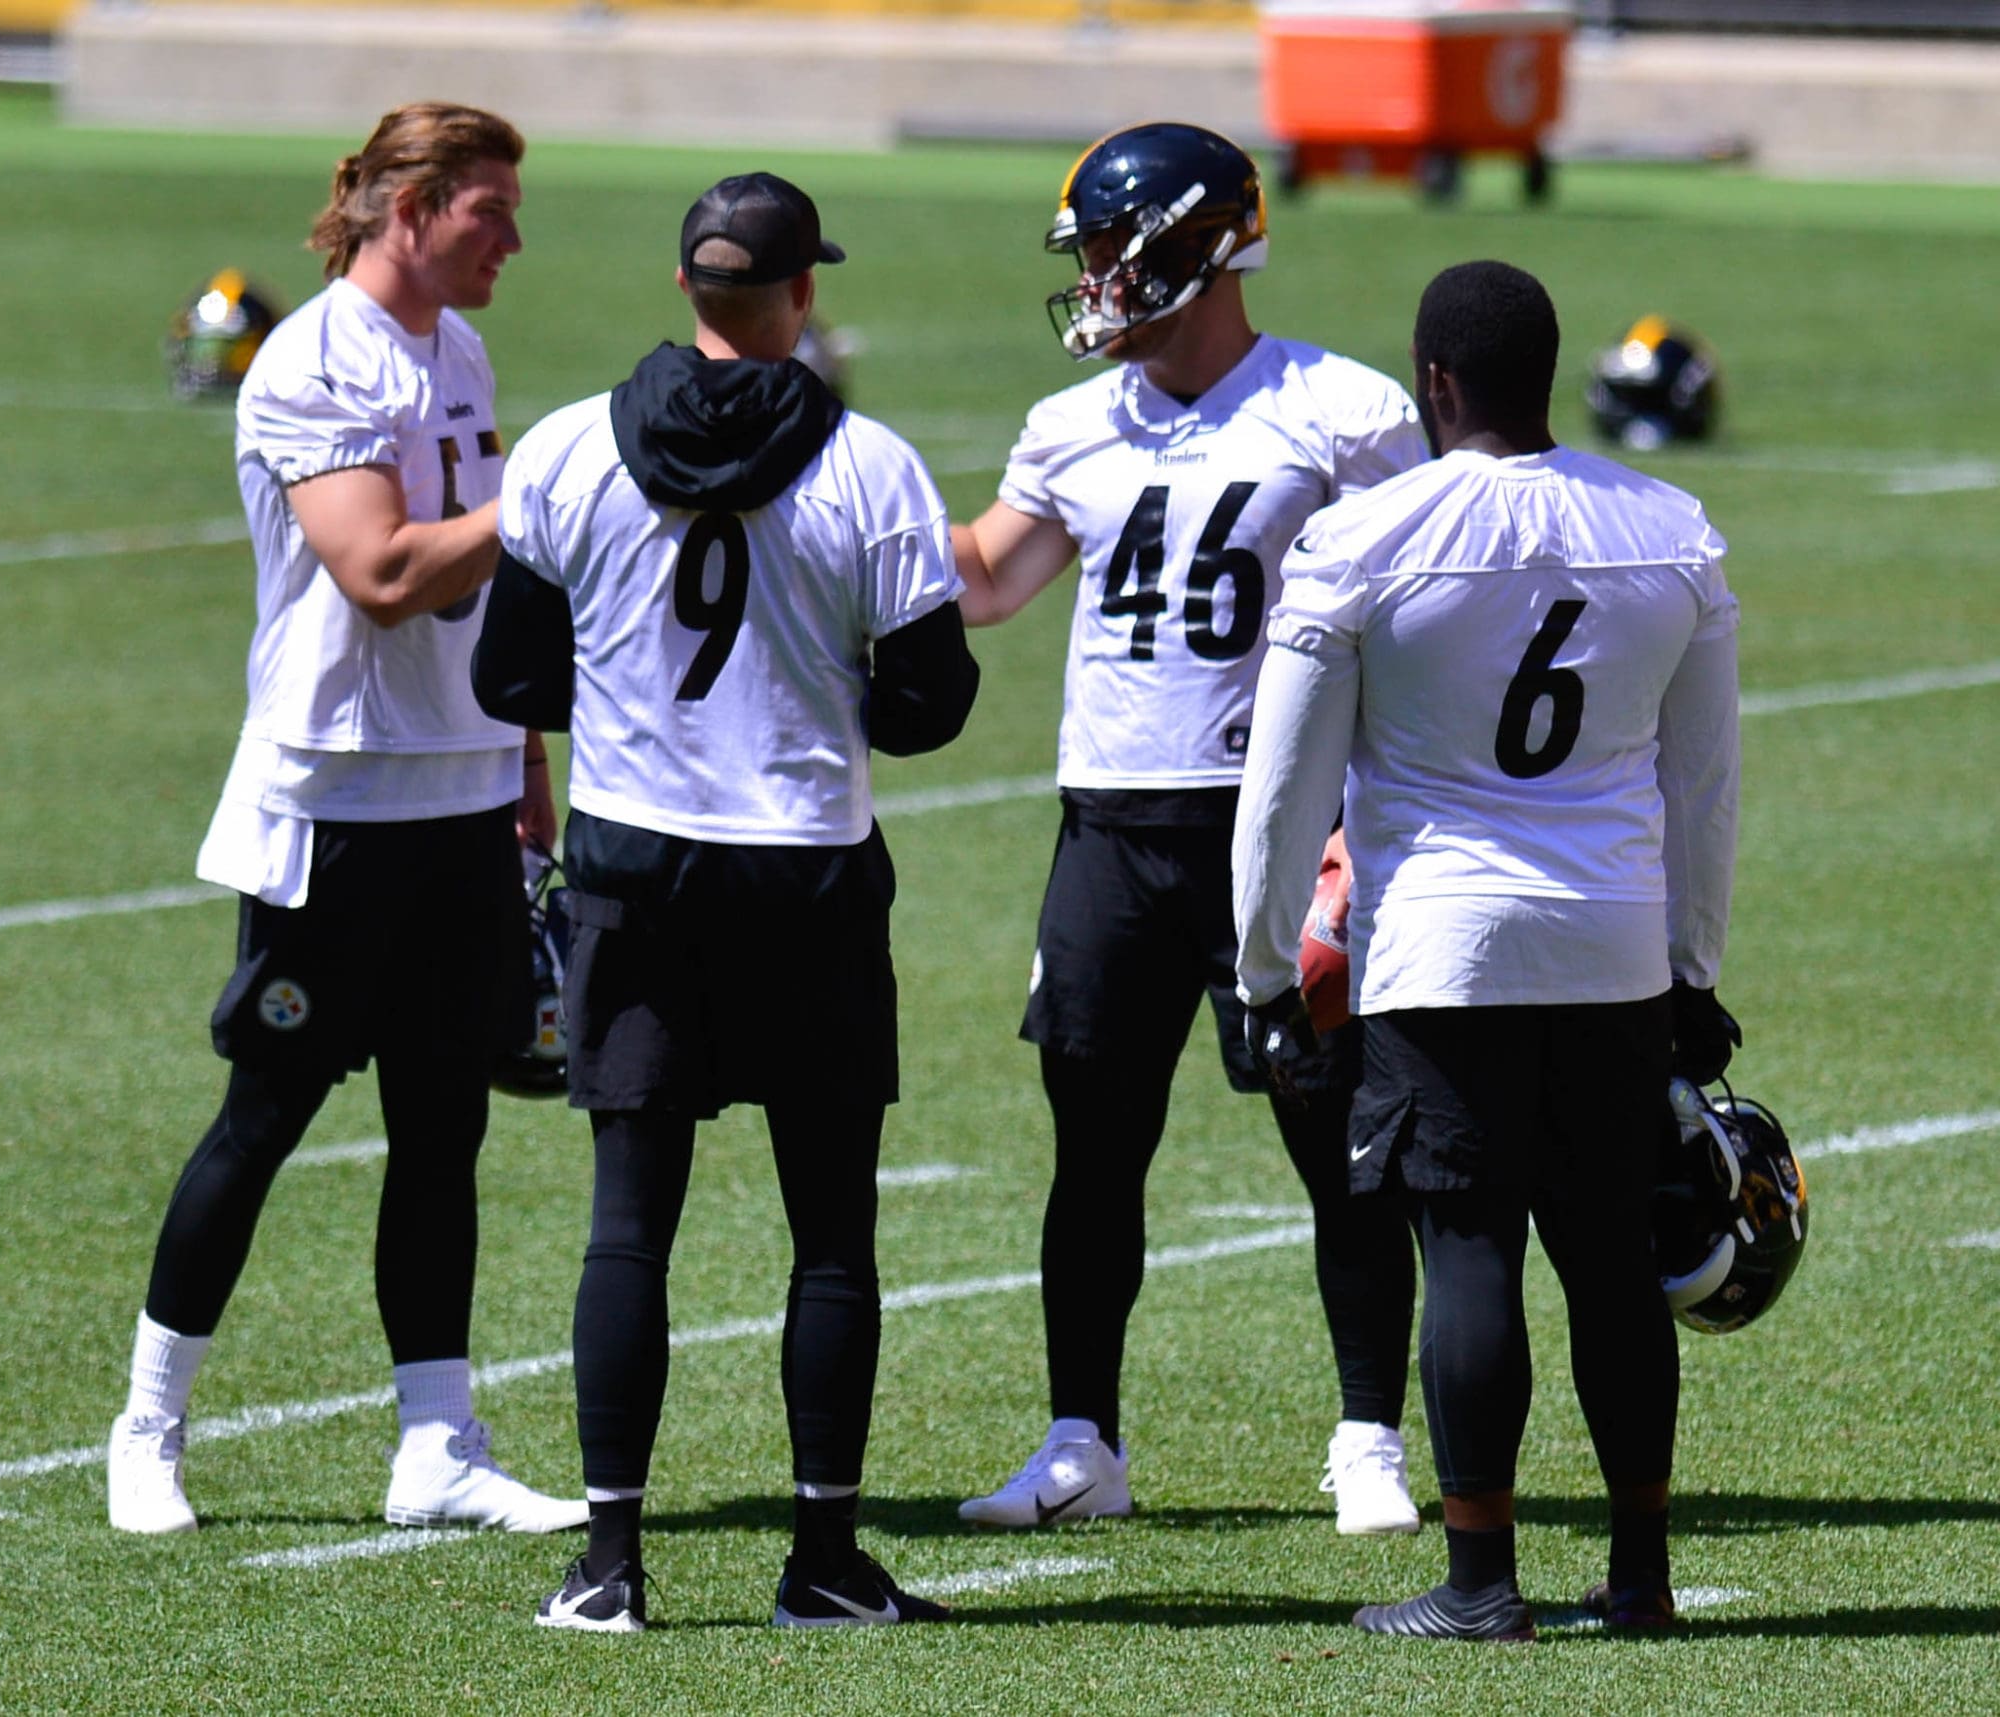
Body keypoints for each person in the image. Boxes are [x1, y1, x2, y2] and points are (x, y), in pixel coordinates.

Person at [472, 171, 981, 1633]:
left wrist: (635, 710)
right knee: (830, 1231)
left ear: (687, 291)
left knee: (629, 1224)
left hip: (633, 867)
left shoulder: (570, 447)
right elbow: (933, 699)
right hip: (808, 868)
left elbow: (511, 677)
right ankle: (823, 1556)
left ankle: (611, 1563)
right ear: (800, 293)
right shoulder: (869, 464)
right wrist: (827, 697)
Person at [1231, 259, 1742, 1640]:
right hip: (1616, 943)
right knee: (1609, 1254)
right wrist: (1694, 966)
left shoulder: (1365, 538)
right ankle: (1640, 1575)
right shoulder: (1671, 526)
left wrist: (1267, 966)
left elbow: (1282, 785)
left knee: (1468, 1244)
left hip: (1443, 948)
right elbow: (1701, 783)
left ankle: (1478, 1580)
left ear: (1435, 385)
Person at [106, 102, 584, 1538]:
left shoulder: (459, 347)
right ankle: (148, 1425)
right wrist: (553, 485)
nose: (511, 235)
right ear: (409, 204)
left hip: (459, 785)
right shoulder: (315, 356)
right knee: (268, 1110)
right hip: (341, 791)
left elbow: (484, 597)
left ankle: (435, 1441)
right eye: (489, 207)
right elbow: (383, 570)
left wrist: (525, 762)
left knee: (446, 1126)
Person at [952, 122, 1428, 1535]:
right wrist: (830, 494)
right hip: (1110, 826)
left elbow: (1425, 610)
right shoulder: (1072, 423)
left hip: (1278, 827)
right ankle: (1081, 1440)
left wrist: (1372, 823)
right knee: (1092, 1145)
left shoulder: (1338, 408)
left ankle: (1366, 1437)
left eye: (1117, 249)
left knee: (1337, 1136)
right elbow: (985, 580)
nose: (1097, 279)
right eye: (1090, 253)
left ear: (1207, 243)